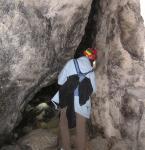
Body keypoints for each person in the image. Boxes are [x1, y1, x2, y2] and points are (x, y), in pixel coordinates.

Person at [51, 48, 97, 150]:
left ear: (82, 54)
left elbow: (60, 81)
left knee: (64, 123)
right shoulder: (91, 70)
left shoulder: (72, 62)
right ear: (91, 58)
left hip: (68, 98)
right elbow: (93, 90)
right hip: (83, 101)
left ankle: (65, 147)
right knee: (80, 127)